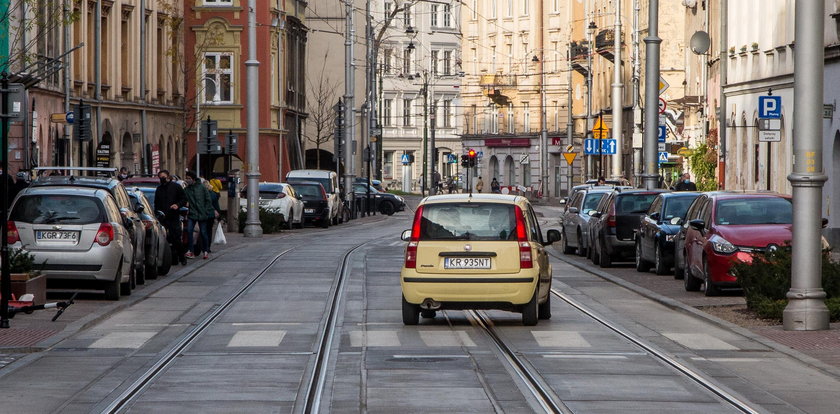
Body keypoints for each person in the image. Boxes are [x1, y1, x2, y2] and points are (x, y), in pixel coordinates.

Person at [155, 170, 188, 265]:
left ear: (168, 177)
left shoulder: (176, 187)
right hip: (162, 217)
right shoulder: (159, 189)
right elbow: (157, 203)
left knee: (176, 238)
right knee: (165, 238)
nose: (162, 179)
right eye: (160, 177)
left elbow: (184, 198)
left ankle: (181, 257)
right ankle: (170, 258)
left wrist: (177, 205)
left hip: (173, 215)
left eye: (164, 177)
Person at [183, 171, 218, 259]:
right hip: (192, 213)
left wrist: (206, 211)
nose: (187, 180)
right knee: (189, 230)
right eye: (186, 178)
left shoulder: (201, 187)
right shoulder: (187, 189)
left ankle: (205, 250)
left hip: (202, 214)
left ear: (193, 179)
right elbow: (184, 199)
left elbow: (208, 200)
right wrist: (186, 204)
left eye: (189, 178)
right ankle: (191, 250)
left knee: (203, 232)